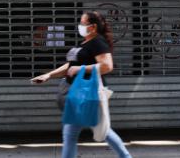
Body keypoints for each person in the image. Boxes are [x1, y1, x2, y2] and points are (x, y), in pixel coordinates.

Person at [31, 11, 132, 158]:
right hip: (77, 95)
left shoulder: (97, 42)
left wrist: (80, 69)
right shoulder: (85, 43)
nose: (80, 26)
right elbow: (70, 66)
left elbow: (107, 66)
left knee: (96, 132)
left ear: (93, 27)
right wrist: (49, 75)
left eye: (83, 23)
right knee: (77, 133)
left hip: (88, 93)